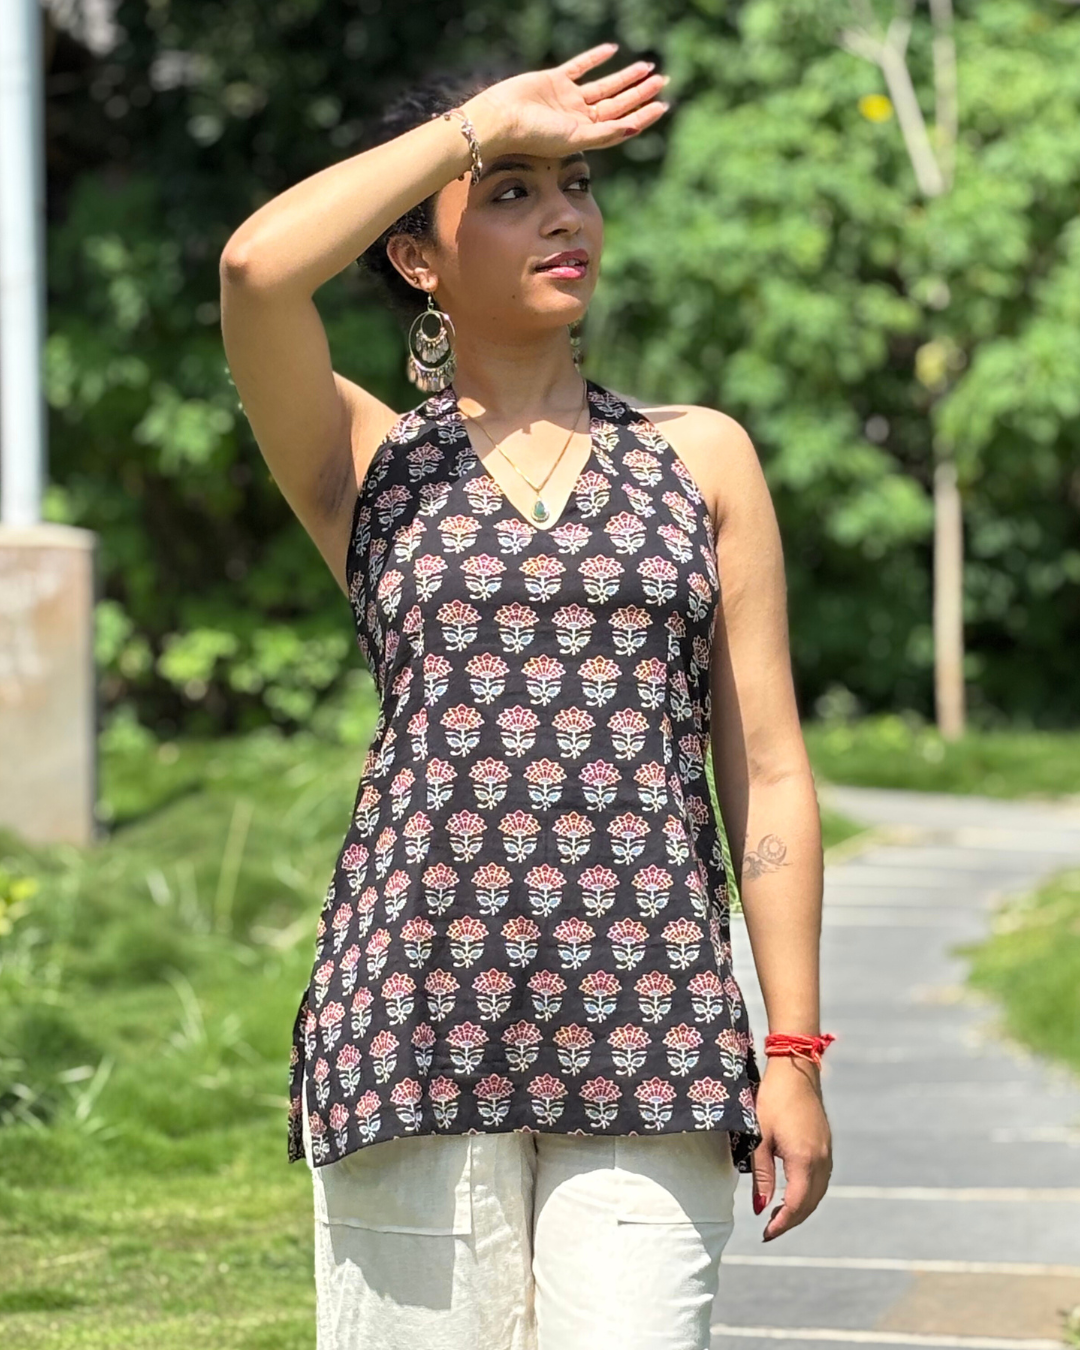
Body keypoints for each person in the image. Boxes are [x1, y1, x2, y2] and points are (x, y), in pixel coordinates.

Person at [220, 40, 833, 1350]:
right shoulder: (367, 457)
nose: (565, 216)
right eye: (512, 190)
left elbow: (769, 769)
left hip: (655, 1019)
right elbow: (257, 270)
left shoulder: (701, 458)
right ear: (416, 258)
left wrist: (793, 1050)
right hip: (413, 1018)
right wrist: (474, 123)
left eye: (577, 185)